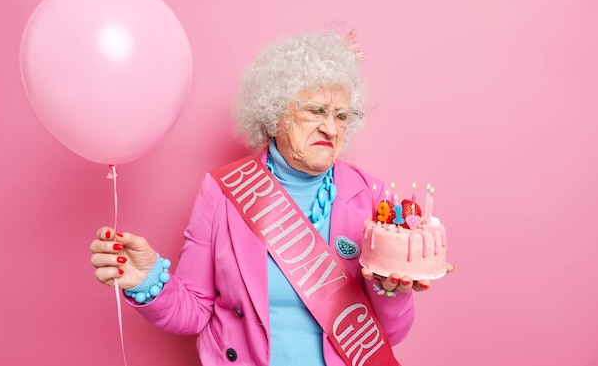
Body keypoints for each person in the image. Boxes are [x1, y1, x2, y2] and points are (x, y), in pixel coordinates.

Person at [90, 30, 453, 365]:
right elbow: (194, 312)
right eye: (315, 111)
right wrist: (148, 279)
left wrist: (393, 291)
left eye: (342, 116)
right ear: (274, 114)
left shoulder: (372, 197)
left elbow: (386, 335)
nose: (330, 127)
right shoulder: (223, 190)